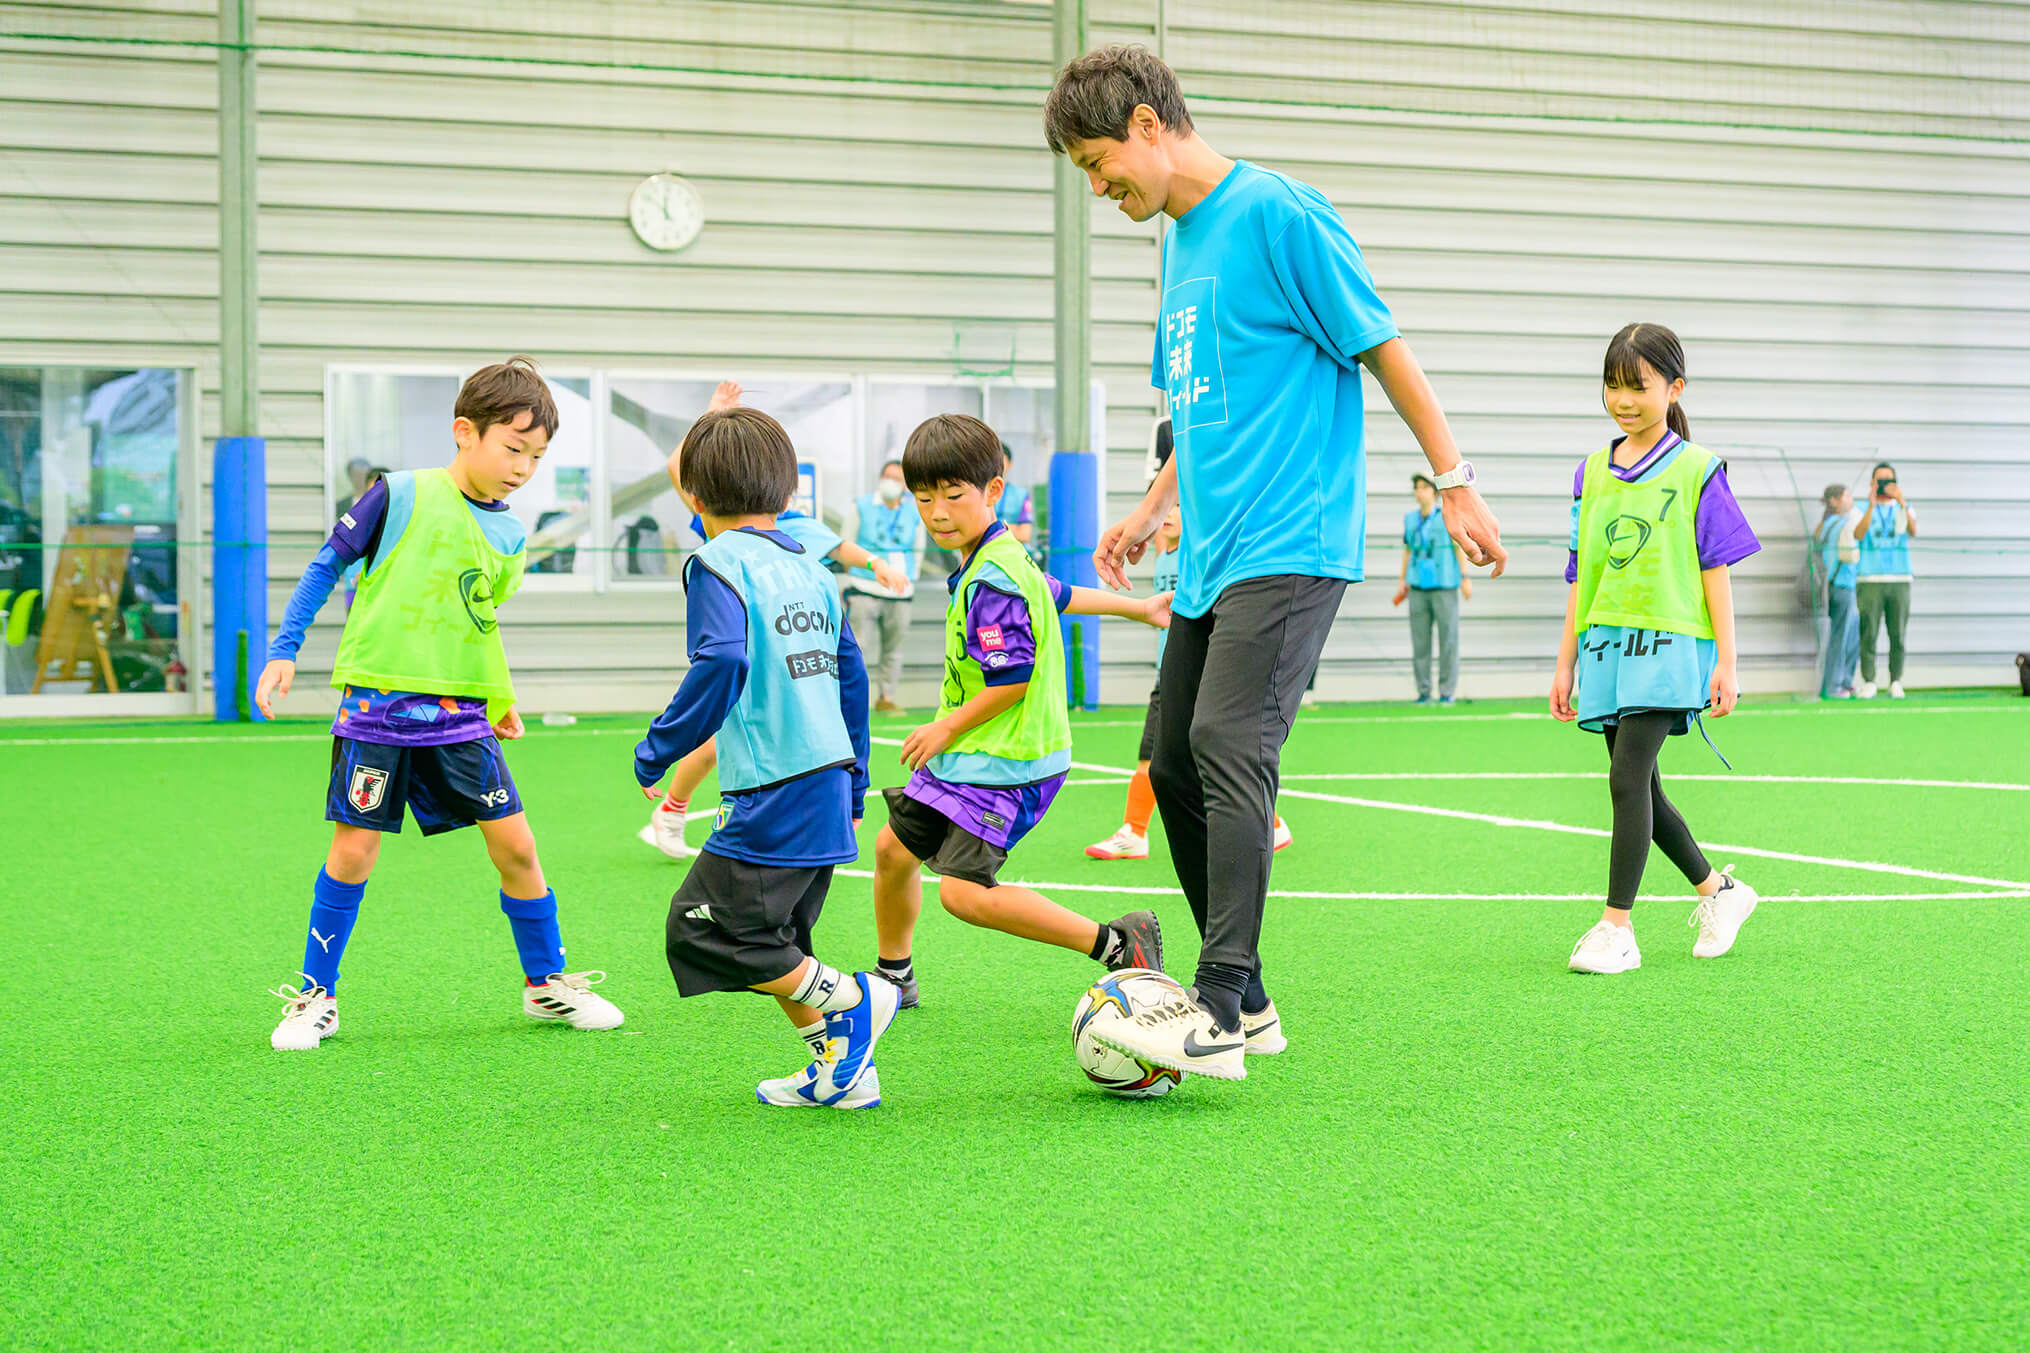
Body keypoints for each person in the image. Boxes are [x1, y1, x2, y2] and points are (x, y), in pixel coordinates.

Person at [1049, 44, 1505, 1080]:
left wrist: (1455, 477)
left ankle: (1213, 1004)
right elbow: (1205, 412)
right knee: (1167, 756)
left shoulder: (1278, 214)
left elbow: (1382, 344)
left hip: (1293, 538)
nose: (1097, 185)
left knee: (1226, 740)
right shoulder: (1179, 251)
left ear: (1148, 126)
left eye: (1096, 161)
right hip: (1211, 552)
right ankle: (1248, 1006)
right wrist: (1150, 508)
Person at [256, 357, 624, 1049]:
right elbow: (324, 566)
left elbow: (474, 621)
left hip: (461, 720)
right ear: (465, 431)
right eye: (513, 448)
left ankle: (546, 986)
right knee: (354, 850)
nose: (523, 466)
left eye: (537, 456)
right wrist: (285, 648)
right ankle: (315, 996)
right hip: (375, 714)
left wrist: (497, 697)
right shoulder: (395, 493)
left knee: (517, 846)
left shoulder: (511, 535)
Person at [634, 406, 895, 1108]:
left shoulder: (714, 563)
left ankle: (857, 998)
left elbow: (720, 658)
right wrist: (857, 777)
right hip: (827, 777)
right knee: (779, 940)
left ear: (691, 496)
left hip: (773, 787)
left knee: (700, 929)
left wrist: (659, 746)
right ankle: (843, 1072)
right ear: (787, 496)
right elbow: (852, 673)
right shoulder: (808, 566)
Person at [869, 413, 1171, 1011]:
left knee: (963, 893)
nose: (936, 513)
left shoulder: (996, 578)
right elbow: (1058, 594)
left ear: (994, 491)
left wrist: (945, 725)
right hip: (970, 754)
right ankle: (893, 975)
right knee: (890, 849)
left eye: (953, 497)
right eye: (923, 499)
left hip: (1008, 761)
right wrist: (1137, 609)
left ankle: (1117, 942)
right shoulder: (1003, 555)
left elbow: (1012, 679)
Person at [1552, 324, 1762, 976]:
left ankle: (1617, 927)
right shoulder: (1590, 471)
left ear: (1673, 388)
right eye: (1612, 384)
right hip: (1607, 644)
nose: (1622, 398)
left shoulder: (1699, 469)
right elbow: (1579, 573)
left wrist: (1727, 660)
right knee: (1642, 786)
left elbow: (1715, 568)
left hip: (1671, 644)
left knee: (1624, 778)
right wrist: (1565, 661)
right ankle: (1719, 892)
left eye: (1637, 385)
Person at [642, 383, 907, 861]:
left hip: (779, 749)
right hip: (808, 754)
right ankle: (675, 808)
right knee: (720, 732)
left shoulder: (795, 541)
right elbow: (854, 675)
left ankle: (673, 807)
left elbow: (723, 660)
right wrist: (712, 417)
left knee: (722, 733)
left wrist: (875, 565)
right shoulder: (734, 538)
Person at [1088, 420, 1290, 861]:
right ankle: (1136, 830)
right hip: (1172, 668)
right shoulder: (1163, 551)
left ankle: (1139, 831)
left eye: (1180, 506)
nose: (1173, 512)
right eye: (1170, 506)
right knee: (1167, 754)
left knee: (1207, 750)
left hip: (1208, 665)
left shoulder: (1203, 549)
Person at [844, 458, 923, 713]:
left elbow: (918, 549)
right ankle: (853, 700)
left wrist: (912, 578)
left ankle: (886, 698)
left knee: (894, 650)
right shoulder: (861, 507)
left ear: (906, 485)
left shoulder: (915, 511)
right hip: (863, 588)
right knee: (857, 648)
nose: (891, 482)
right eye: (887, 477)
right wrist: (847, 583)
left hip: (901, 591)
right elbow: (847, 543)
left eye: (897, 479)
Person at [1391, 473, 1472, 703]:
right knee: (1420, 641)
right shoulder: (1409, 519)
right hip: (1418, 585)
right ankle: (1424, 692)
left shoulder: (1447, 516)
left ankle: (1447, 692)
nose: (1419, 492)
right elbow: (1407, 551)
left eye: (1424, 487)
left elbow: (1459, 547)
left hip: (1444, 584)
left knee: (1448, 640)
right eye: (1416, 488)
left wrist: (1465, 577)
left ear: (1434, 492)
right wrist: (1403, 579)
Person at [1852, 461, 1916, 699]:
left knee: (1897, 632)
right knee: (1868, 631)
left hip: (1900, 577)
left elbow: (1913, 530)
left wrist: (1901, 501)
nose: (1885, 485)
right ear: (1872, 483)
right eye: (1881, 481)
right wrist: (1871, 504)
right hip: (1869, 577)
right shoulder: (1860, 507)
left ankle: (1895, 680)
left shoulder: (1904, 506)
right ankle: (1869, 680)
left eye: (1889, 481)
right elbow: (1858, 534)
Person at [1815, 484, 1860, 700]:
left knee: (1844, 636)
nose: (1850, 500)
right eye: (1846, 496)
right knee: (1840, 638)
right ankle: (1834, 686)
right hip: (1842, 585)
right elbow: (1850, 556)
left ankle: (1841, 682)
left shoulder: (1825, 525)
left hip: (1832, 585)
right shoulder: (1843, 525)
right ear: (1834, 500)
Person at [994, 445, 1037, 549]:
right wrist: (1011, 528)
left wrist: (991, 529)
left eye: (1001, 460)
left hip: (1013, 552)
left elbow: (1025, 534)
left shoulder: (1020, 494)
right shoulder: (977, 492)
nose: (997, 465)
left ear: (1010, 464)